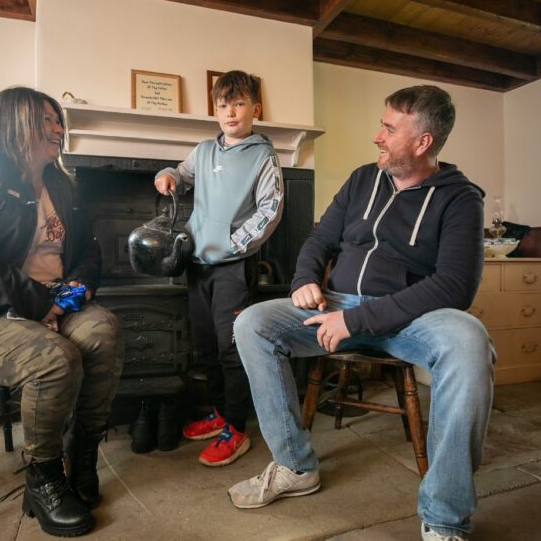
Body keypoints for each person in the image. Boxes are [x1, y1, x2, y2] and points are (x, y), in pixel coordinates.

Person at [229, 85, 495, 541]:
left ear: (422, 142)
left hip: (411, 319)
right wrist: (305, 280)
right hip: (336, 304)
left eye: (389, 129)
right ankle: (295, 467)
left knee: (470, 341)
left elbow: (455, 285)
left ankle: (445, 517)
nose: (377, 136)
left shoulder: (460, 198)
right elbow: (319, 240)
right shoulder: (361, 180)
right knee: (252, 323)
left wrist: (355, 322)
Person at [0, 87, 123, 537]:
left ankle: (82, 456)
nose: (58, 129)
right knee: (54, 359)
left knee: (103, 332)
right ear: (16, 121)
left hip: (50, 301)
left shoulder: (61, 183)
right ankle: (44, 477)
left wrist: (77, 289)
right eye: (47, 120)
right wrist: (37, 301)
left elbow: (88, 249)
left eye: (59, 121)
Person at [154, 70, 284, 466]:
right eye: (223, 105)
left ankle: (237, 427)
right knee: (206, 347)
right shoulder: (204, 151)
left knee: (231, 350)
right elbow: (182, 174)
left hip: (232, 268)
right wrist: (167, 176)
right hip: (197, 264)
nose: (231, 111)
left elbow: (271, 209)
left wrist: (234, 244)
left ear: (254, 109)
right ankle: (219, 413)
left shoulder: (264, 157)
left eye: (239, 103)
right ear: (215, 111)